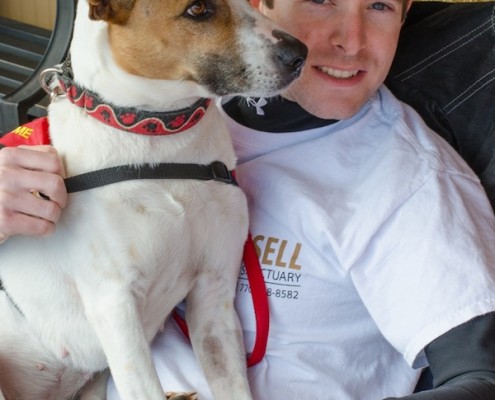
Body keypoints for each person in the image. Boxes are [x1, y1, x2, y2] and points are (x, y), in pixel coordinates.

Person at [1, 0, 495, 399]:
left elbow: (479, 379)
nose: (351, 39)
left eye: (381, 6)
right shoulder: (176, 103)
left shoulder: (410, 182)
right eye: (321, 0)